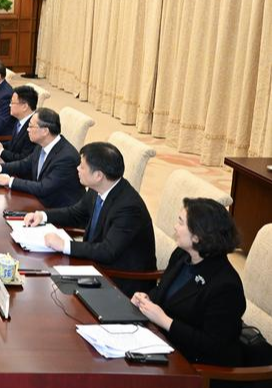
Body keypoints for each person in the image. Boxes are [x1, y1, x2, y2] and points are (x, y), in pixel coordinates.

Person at [23, 142, 156, 296]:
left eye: (82, 166)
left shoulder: (128, 208)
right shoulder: (99, 189)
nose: (77, 169)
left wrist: (65, 245)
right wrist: (43, 215)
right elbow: (75, 213)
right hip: (94, 265)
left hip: (121, 281)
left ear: (98, 175)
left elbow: (107, 251)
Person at [131, 198, 245, 368]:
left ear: (198, 236)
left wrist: (165, 321)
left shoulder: (226, 286)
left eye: (181, 222)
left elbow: (214, 346)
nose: (175, 227)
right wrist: (146, 299)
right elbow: (164, 292)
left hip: (193, 365)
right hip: (160, 342)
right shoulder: (182, 255)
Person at [0, 108, 84, 208]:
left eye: (31, 126)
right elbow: (25, 164)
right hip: (39, 201)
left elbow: (43, 187)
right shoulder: (42, 144)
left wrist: (8, 181)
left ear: (45, 131)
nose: (27, 129)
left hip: (58, 211)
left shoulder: (66, 158)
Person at [0, 85, 38, 162]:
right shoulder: (20, 120)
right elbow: (14, 144)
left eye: (12, 103)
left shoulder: (34, 127)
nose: (9, 105)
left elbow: (23, 159)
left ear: (24, 107)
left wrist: (1, 151)